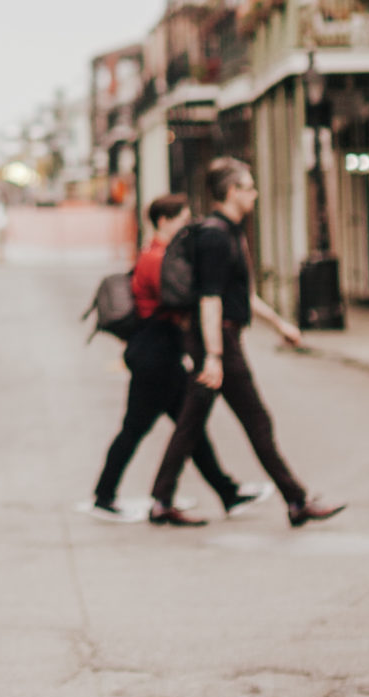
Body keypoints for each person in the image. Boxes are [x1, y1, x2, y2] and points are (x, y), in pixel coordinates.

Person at [147, 157, 346, 529]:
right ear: (233, 191)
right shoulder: (215, 236)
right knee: (256, 421)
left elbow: (240, 295)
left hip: (220, 336)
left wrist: (279, 324)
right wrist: (215, 356)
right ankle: (297, 500)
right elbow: (210, 299)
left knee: (191, 423)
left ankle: (161, 499)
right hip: (217, 339)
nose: (255, 194)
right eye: (250, 187)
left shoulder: (230, 232)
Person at [92, 194, 261, 519]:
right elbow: (181, 298)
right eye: (183, 220)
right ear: (164, 221)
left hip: (160, 353)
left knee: (188, 426)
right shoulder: (157, 258)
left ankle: (223, 492)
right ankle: (111, 495)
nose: (187, 226)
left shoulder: (158, 255)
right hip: (156, 355)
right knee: (148, 427)